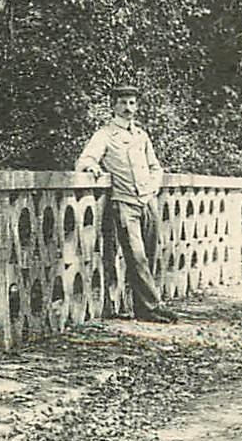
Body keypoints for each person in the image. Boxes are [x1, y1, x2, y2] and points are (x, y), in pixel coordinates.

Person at [74, 84, 178, 324]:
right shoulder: (104, 135)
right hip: (124, 202)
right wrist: (94, 167)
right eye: (123, 103)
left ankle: (143, 306)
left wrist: (153, 188)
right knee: (136, 256)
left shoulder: (141, 135)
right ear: (113, 105)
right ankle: (154, 306)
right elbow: (85, 160)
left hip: (147, 201)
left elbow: (156, 167)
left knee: (150, 254)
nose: (128, 108)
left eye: (132, 103)